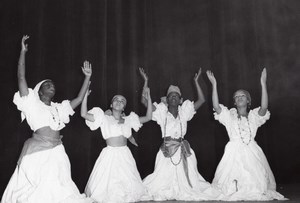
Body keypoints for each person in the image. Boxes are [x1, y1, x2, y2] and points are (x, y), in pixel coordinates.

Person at [1, 35, 94, 203]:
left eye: (53, 85)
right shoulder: (31, 103)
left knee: (59, 187)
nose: (52, 86)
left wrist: (87, 77)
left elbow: (79, 100)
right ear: (39, 91)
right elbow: (21, 78)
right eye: (47, 84)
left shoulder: (59, 108)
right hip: (38, 150)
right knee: (38, 190)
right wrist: (23, 52)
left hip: (57, 150)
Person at [139, 68, 222, 201]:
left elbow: (201, 100)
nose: (173, 97)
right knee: (160, 183)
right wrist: (146, 81)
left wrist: (196, 81)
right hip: (166, 151)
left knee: (191, 185)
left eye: (176, 96)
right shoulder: (161, 112)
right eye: (171, 95)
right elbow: (144, 101)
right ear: (166, 99)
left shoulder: (185, 111)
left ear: (180, 99)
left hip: (184, 151)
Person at [206, 68, 287, 201]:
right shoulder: (229, 115)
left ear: (248, 101)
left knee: (255, 185)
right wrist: (214, 84)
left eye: (242, 96)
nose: (239, 98)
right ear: (234, 102)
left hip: (252, 151)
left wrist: (263, 83)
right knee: (230, 186)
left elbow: (264, 108)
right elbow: (216, 106)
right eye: (236, 97)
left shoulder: (254, 116)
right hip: (233, 151)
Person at [80, 77, 153, 202]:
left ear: (124, 107)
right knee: (107, 188)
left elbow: (148, 117)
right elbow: (83, 114)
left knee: (127, 187)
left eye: (122, 101)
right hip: (110, 154)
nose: (119, 102)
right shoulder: (103, 117)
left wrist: (149, 97)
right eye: (116, 100)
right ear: (111, 104)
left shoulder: (130, 119)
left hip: (124, 154)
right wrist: (85, 96)